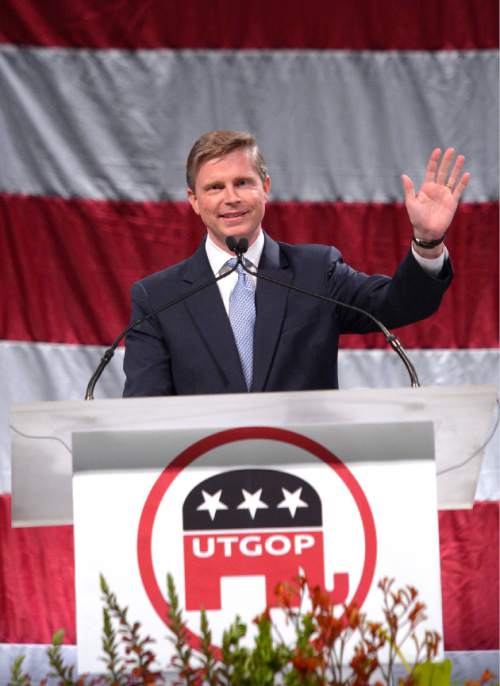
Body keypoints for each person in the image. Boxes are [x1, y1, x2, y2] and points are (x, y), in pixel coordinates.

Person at [122, 130, 469, 397]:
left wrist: (427, 241)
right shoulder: (158, 298)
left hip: (306, 476)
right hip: (202, 482)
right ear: (194, 201)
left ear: (266, 188)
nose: (231, 198)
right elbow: (144, 409)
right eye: (215, 187)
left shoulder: (316, 272)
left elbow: (398, 304)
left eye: (243, 183)